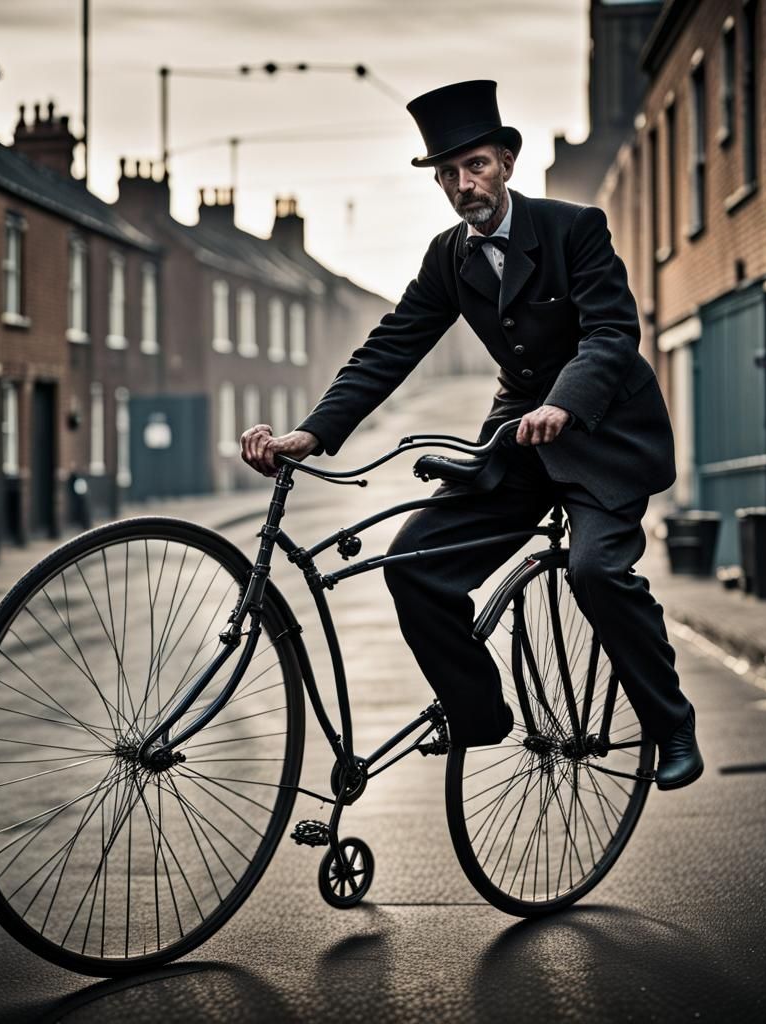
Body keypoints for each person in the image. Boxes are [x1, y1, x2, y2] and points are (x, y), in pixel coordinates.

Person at [240, 79, 703, 790]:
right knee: (413, 564)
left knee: (596, 572)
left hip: (604, 437)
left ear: (507, 163)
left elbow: (612, 332)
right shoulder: (447, 257)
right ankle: (479, 711)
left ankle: (671, 724)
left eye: (476, 166)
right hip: (516, 445)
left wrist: (567, 405)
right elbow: (391, 347)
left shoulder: (573, 227)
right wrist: (312, 433)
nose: (464, 184)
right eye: (449, 174)